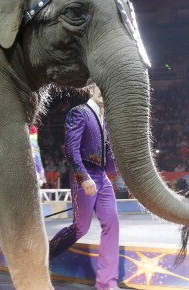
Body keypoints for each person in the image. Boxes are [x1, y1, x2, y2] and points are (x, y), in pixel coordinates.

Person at [48, 84, 120, 290]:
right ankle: (43, 257)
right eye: (99, 86)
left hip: (102, 176)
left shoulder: (105, 119)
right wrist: (83, 177)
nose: (103, 91)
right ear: (90, 89)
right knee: (81, 227)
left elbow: (108, 153)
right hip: (84, 175)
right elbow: (71, 149)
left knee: (112, 223)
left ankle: (107, 283)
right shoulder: (78, 113)